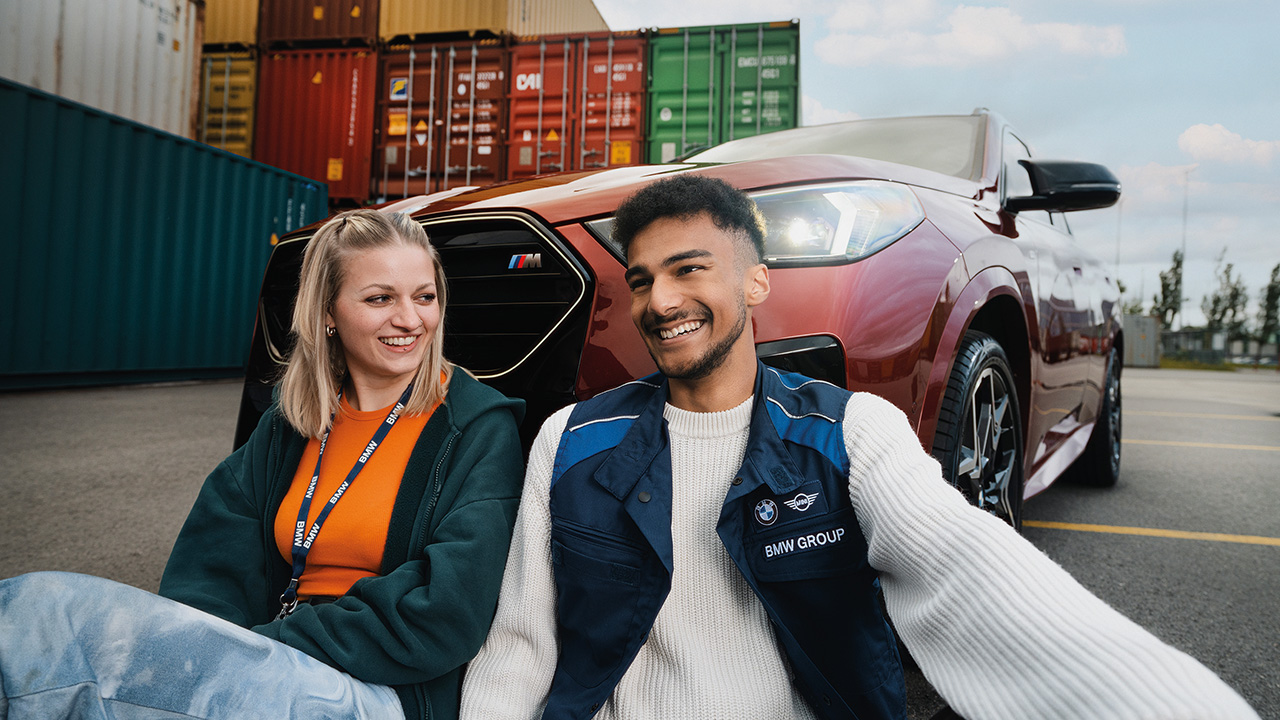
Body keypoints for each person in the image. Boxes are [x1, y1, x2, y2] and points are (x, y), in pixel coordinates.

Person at [458, 175, 1258, 720]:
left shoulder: (851, 433)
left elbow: (972, 575)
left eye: (688, 270)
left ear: (757, 282)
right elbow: (520, 649)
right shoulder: (570, 440)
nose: (660, 301)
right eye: (639, 281)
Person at [0, 209, 525, 719]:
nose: (410, 320)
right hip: (258, 666)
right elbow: (211, 564)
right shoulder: (291, 424)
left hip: (380, 692)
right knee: (34, 608)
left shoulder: (477, 426)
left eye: (425, 297)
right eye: (379, 298)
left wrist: (256, 648)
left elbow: (449, 610)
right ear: (327, 312)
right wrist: (211, 650)